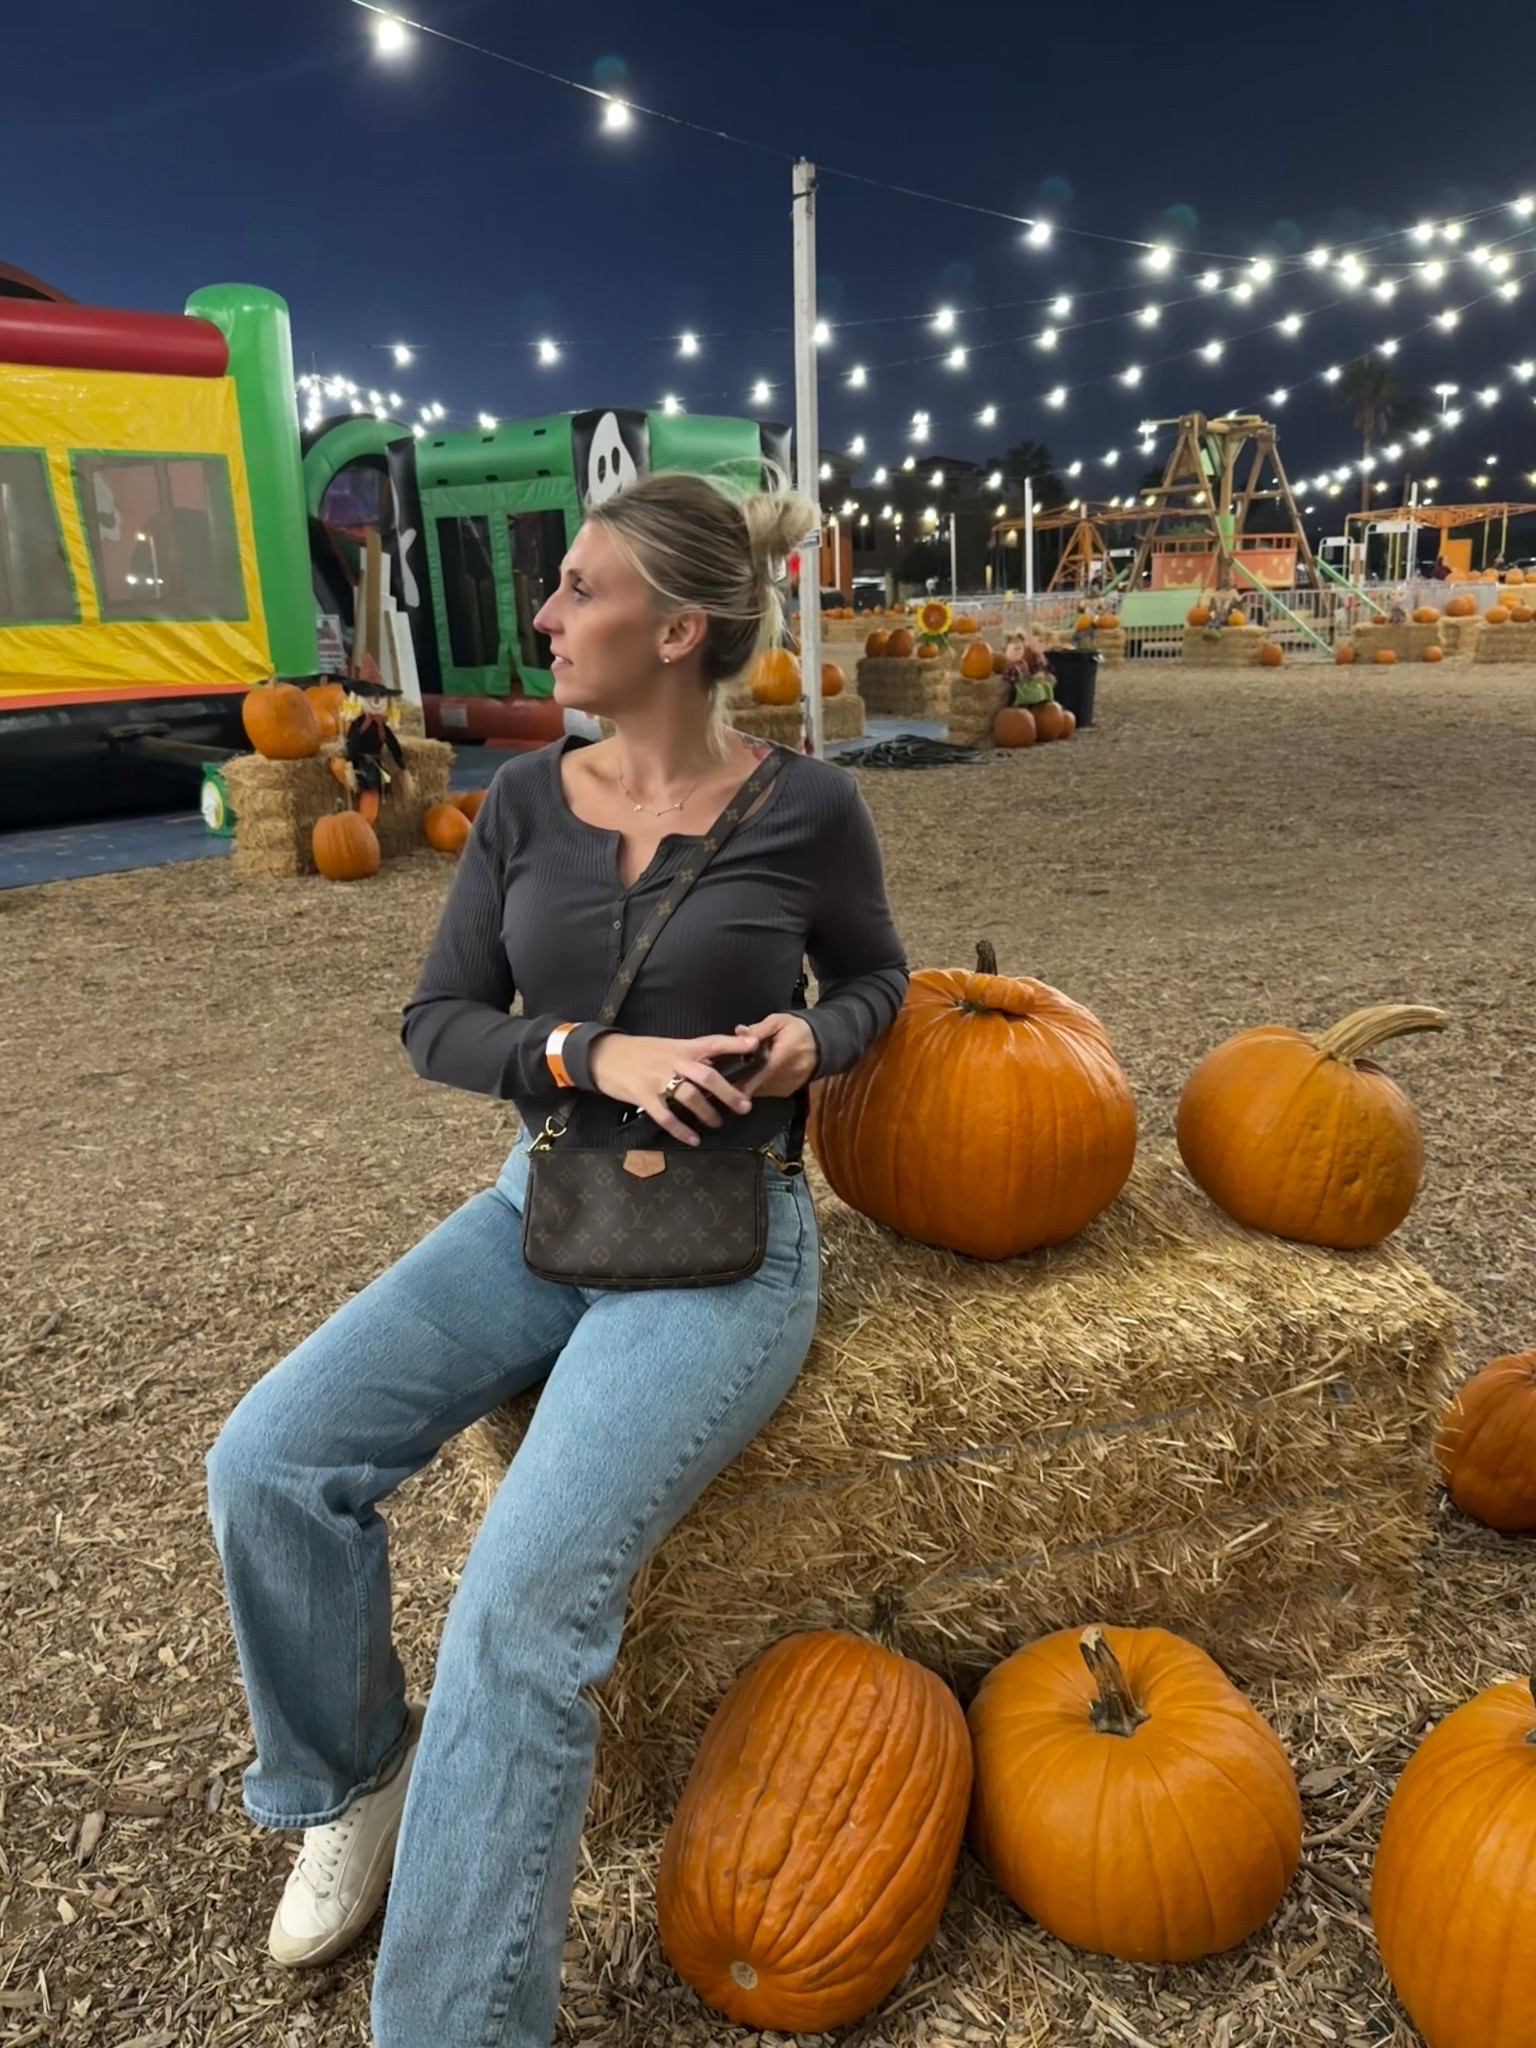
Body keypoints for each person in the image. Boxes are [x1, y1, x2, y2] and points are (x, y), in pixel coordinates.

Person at [202, 470, 908, 2048]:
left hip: (730, 1246)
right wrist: (591, 1055)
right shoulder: (522, 805)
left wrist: (817, 1036)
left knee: (520, 1617)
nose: (544, 616)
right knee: (266, 1460)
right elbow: (438, 1024)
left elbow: (880, 979)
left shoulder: (808, 804)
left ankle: (453, 2027)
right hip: (545, 1203)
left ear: (677, 628)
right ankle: (352, 1779)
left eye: (576, 590)